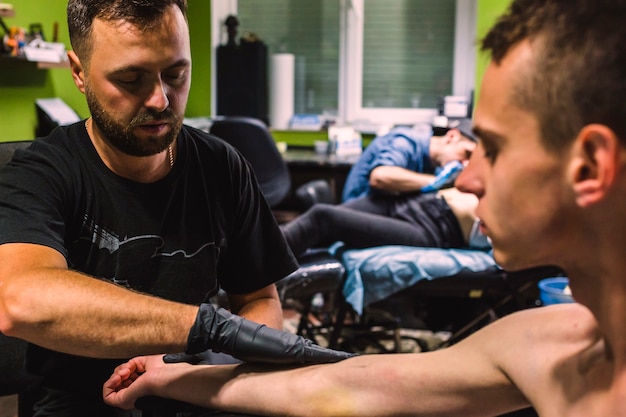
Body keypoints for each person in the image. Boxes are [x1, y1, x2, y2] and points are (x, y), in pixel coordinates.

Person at [103, 0, 626, 415]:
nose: (468, 176)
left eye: (493, 146)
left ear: (589, 166)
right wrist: (170, 376)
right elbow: (346, 385)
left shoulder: (546, 346)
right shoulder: (541, 343)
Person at [0, 1, 350, 415]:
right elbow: (20, 299)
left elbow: (260, 299)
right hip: (80, 405)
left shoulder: (222, 167)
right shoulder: (40, 172)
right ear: (79, 73)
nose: (159, 99)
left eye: (175, 74)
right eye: (131, 79)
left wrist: (203, 370)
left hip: (197, 393)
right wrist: (207, 327)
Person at [282, 187, 489, 257]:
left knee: (323, 217)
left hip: (431, 230)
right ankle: (259, 253)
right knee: (317, 229)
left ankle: (256, 256)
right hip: (417, 201)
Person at [341, 118, 476, 202]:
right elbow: (380, 177)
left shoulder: (437, 164)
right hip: (357, 212)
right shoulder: (406, 141)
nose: (466, 163)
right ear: (452, 137)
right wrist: (438, 182)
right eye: (467, 153)